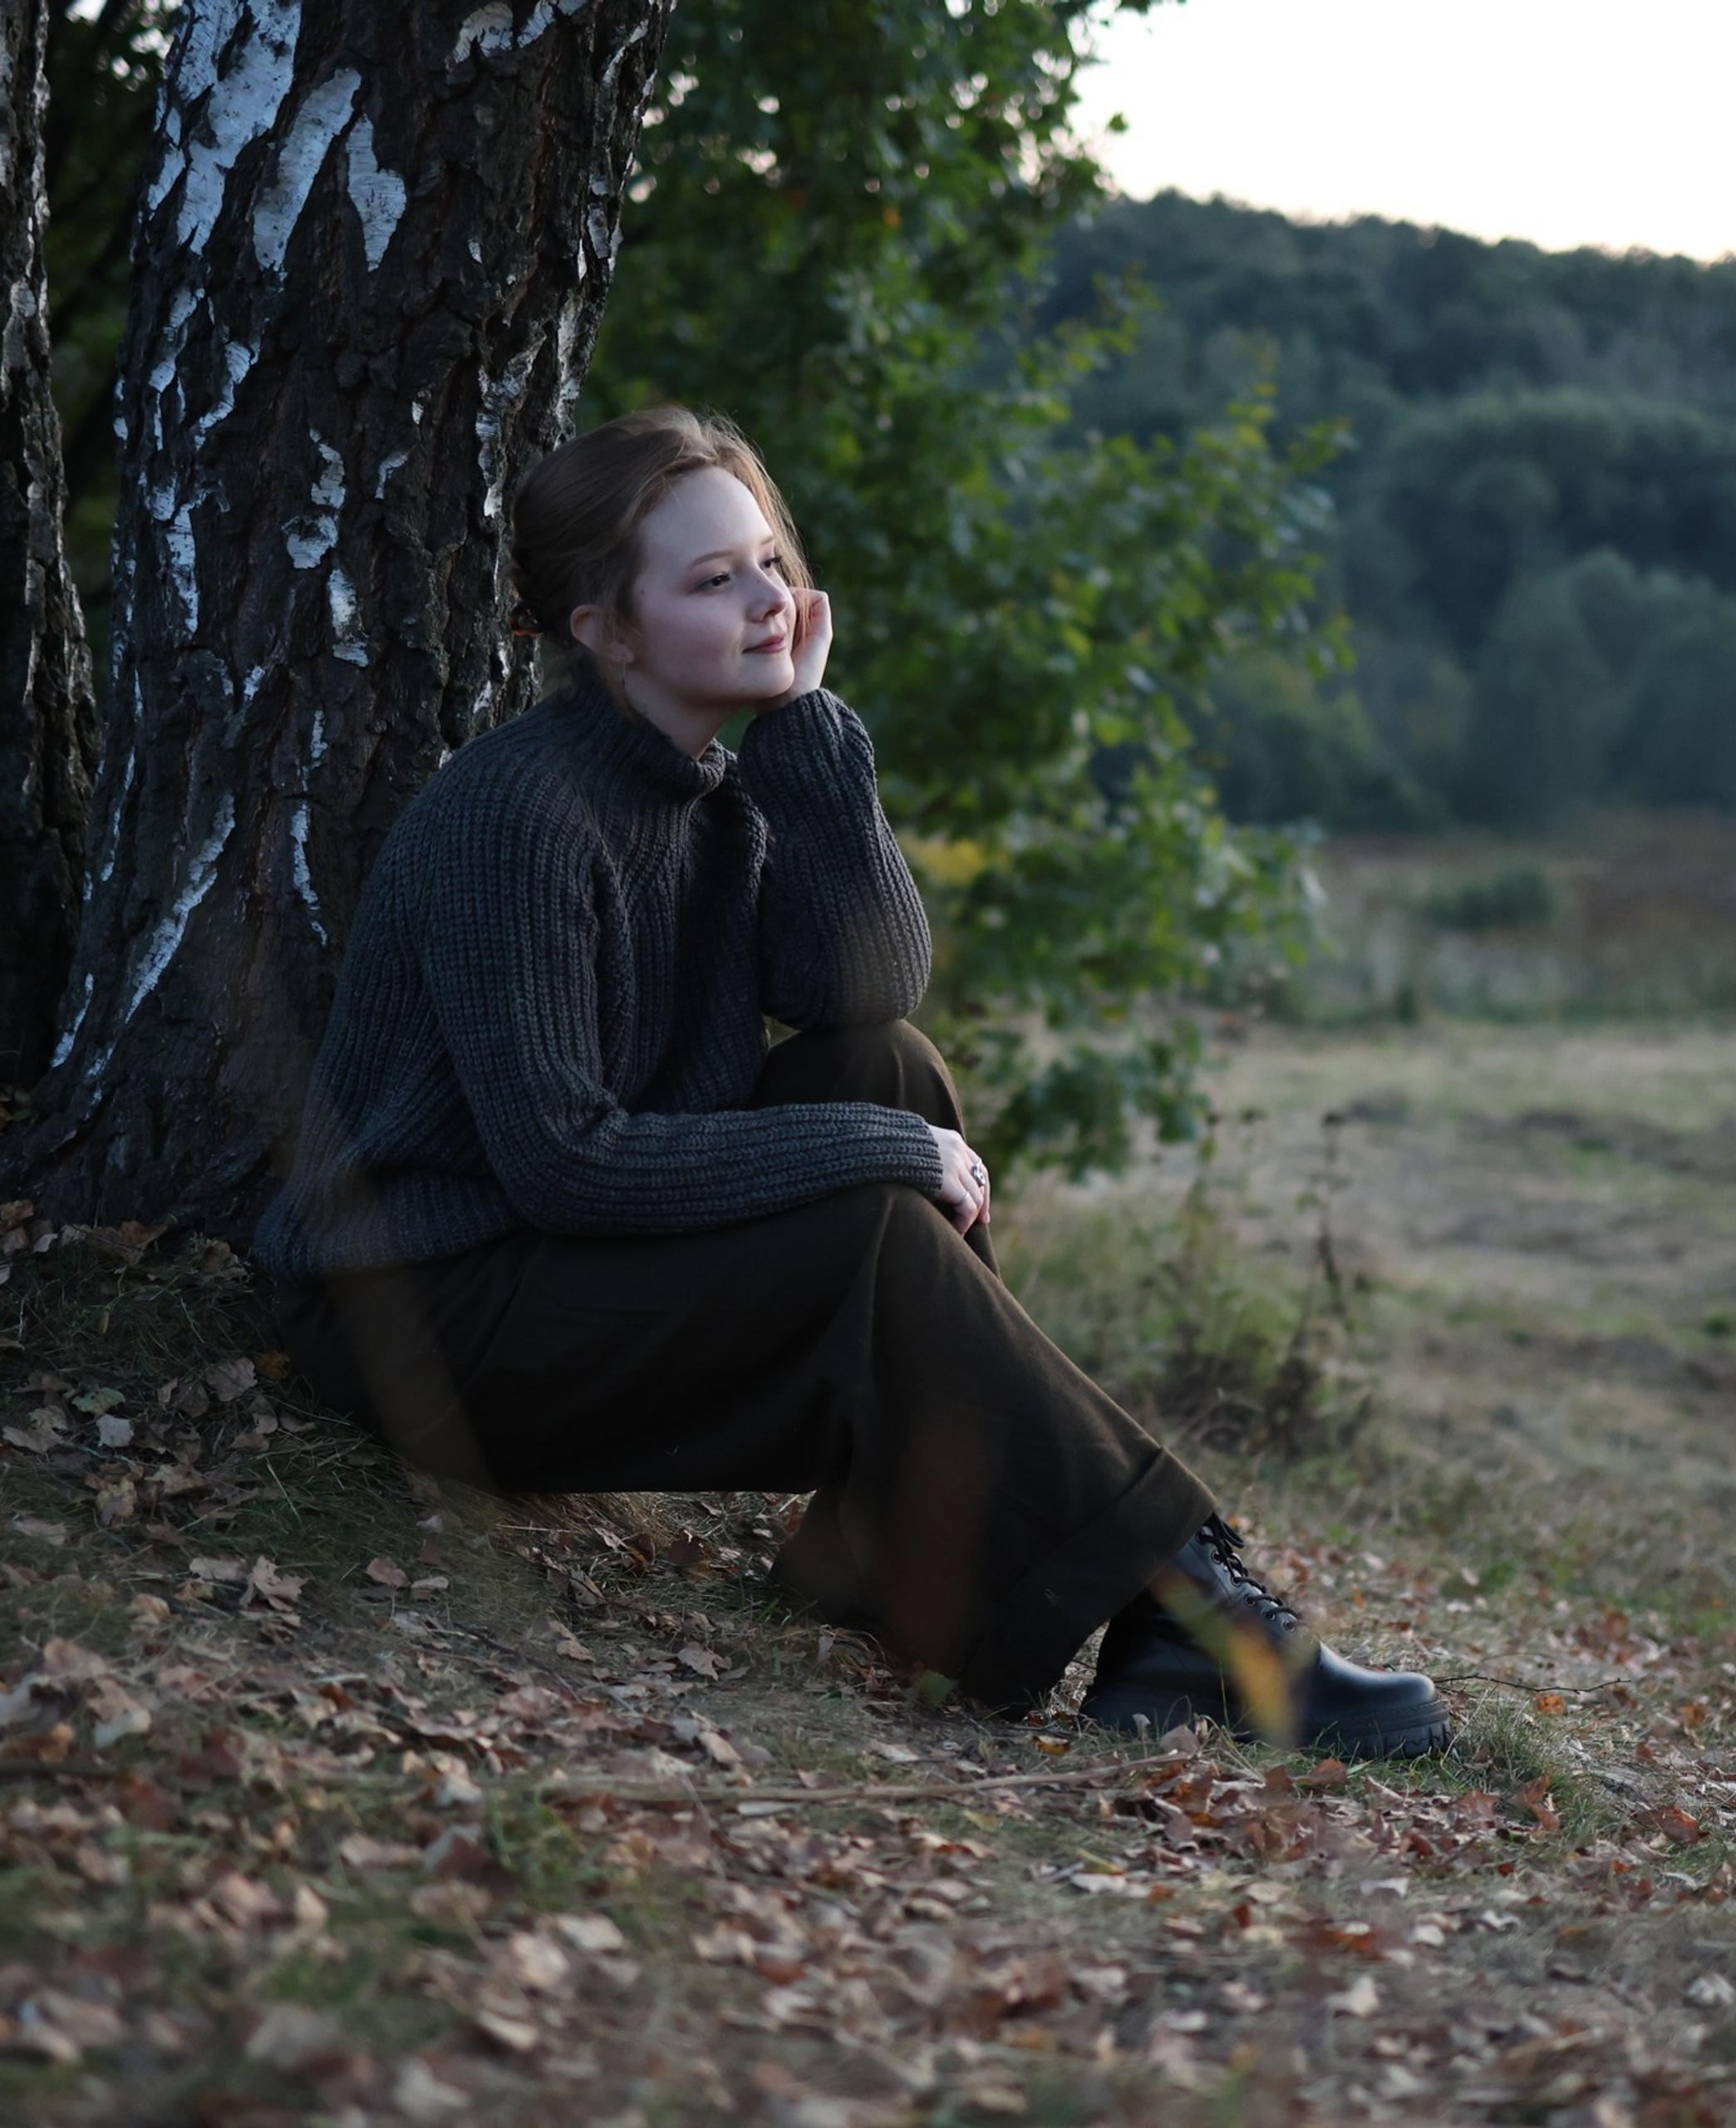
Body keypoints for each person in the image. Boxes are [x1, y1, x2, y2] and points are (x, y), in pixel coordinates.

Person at [256, 406, 1451, 1759]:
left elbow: (865, 994)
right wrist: (874, 1153)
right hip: (429, 1310)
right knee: (874, 1195)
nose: (771, 598)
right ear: (603, 627)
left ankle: (900, 1549)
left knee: (888, 1067)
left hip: (549, 1259)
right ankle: (1200, 1614)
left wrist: (812, 730)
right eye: (714, 581)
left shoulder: (716, 785)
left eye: (770, 561)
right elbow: (565, 1161)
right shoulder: (518, 820)